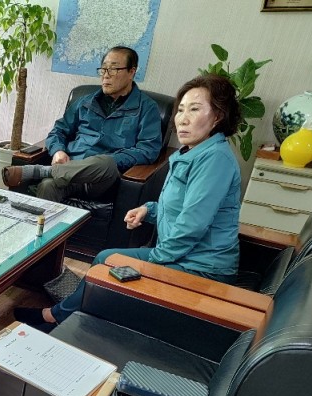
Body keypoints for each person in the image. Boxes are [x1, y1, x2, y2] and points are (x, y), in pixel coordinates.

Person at [15, 73, 242, 331]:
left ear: (218, 116)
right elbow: (180, 208)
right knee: (107, 260)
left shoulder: (215, 159)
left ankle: (60, 318)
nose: (183, 118)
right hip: (182, 256)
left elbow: (192, 226)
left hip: (201, 268)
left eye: (195, 109)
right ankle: (64, 316)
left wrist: (154, 258)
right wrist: (148, 210)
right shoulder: (193, 152)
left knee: (107, 260)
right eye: (180, 110)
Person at [2, 46, 162, 202]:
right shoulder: (85, 102)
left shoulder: (146, 108)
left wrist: (111, 160)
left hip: (103, 179)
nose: (106, 76)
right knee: (48, 185)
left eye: (113, 69)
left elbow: (148, 150)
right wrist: (58, 151)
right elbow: (58, 131)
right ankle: (45, 214)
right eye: (103, 69)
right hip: (71, 168)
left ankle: (40, 171)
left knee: (106, 162)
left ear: (131, 72)